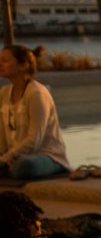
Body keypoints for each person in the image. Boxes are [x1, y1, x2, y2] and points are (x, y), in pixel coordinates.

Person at [0, 45, 70, 182]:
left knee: (24, 165)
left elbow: (35, 139)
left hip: (45, 156)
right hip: (12, 157)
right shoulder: (3, 93)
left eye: (5, 60)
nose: (0, 64)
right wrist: (3, 156)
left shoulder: (36, 93)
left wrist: (7, 158)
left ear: (23, 65)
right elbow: (1, 136)